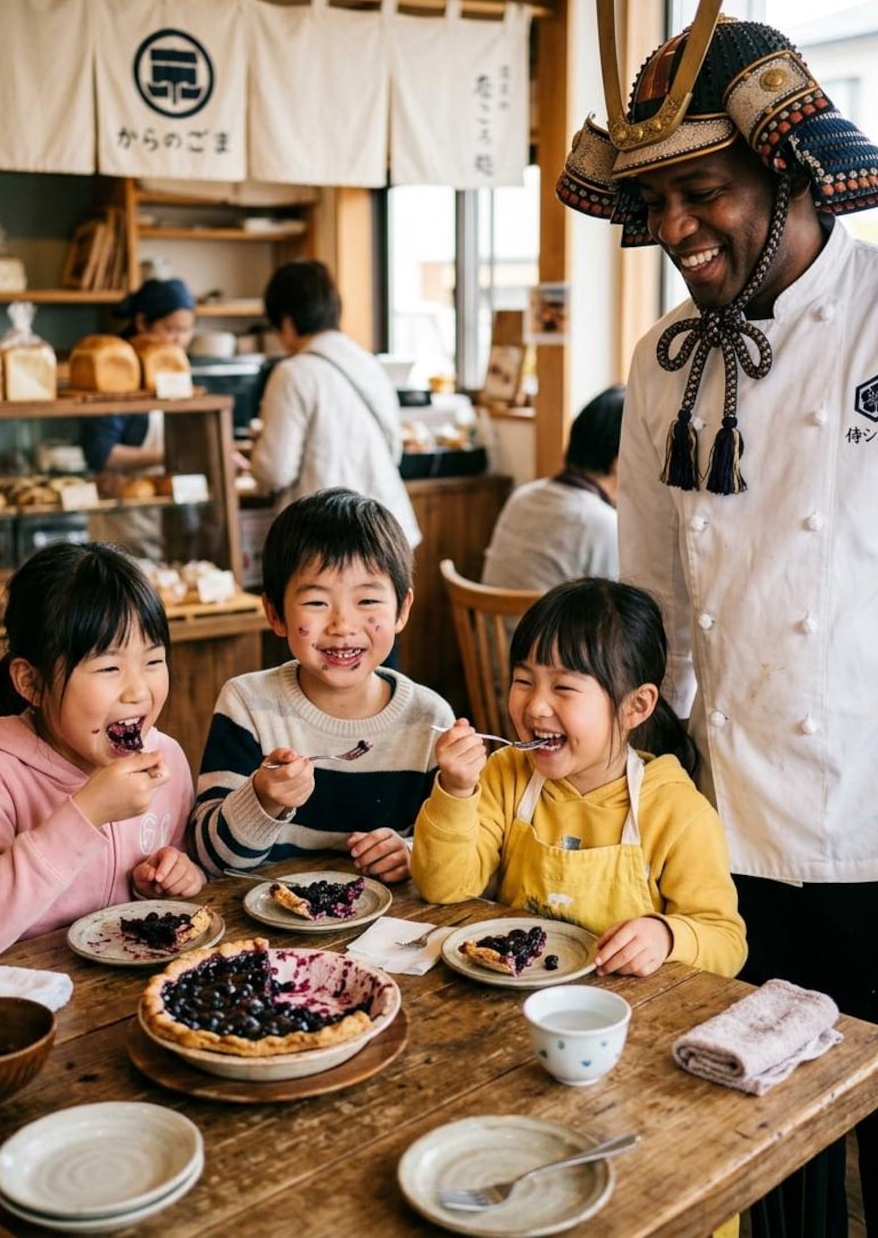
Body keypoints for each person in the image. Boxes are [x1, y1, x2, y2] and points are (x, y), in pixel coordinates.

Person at [558, 9, 878, 1236]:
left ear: (791, 171)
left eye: (703, 192)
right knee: (750, 1153)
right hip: (721, 842)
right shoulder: (662, 358)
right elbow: (651, 601)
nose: (672, 229)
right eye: (654, 201)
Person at [412, 578, 746, 979]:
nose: (535, 707)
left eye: (564, 687)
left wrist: (668, 936)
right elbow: (442, 887)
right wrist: (456, 789)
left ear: (635, 706)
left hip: (621, 1006)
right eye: (523, 681)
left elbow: (727, 943)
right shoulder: (505, 774)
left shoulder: (676, 812)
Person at [0, 542, 205, 961]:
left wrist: (176, 876)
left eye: (153, 661)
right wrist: (86, 813)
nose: (138, 691)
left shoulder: (166, 759)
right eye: (109, 668)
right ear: (31, 682)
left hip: (123, 989)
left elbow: (180, 870)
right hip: (23, 994)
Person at [191, 487, 453, 883]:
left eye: (367, 602)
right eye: (316, 602)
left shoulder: (429, 719)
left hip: (392, 920)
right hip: (262, 917)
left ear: (402, 610)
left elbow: (456, 849)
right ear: (275, 614)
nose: (342, 625)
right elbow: (210, 858)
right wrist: (262, 798)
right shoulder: (248, 705)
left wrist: (413, 853)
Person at [249, 260, 421, 551]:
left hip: (329, 538)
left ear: (287, 322)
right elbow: (394, 447)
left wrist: (258, 451)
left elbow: (275, 470)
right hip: (386, 531)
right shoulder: (367, 362)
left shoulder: (292, 372)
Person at [79, 277, 196, 560]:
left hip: (171, 518)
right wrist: (172, 455)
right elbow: (100, 453)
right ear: (142, 323)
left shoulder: (175, 370)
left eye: (187, 330)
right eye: (171, 329)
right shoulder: (118, 373)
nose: (179, 340)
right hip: (125, 525)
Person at [481, 385, 624, 589]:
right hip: (546, 612)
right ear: (619, 462)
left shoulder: (522, 496)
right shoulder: (603, 524)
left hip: (493, 612)